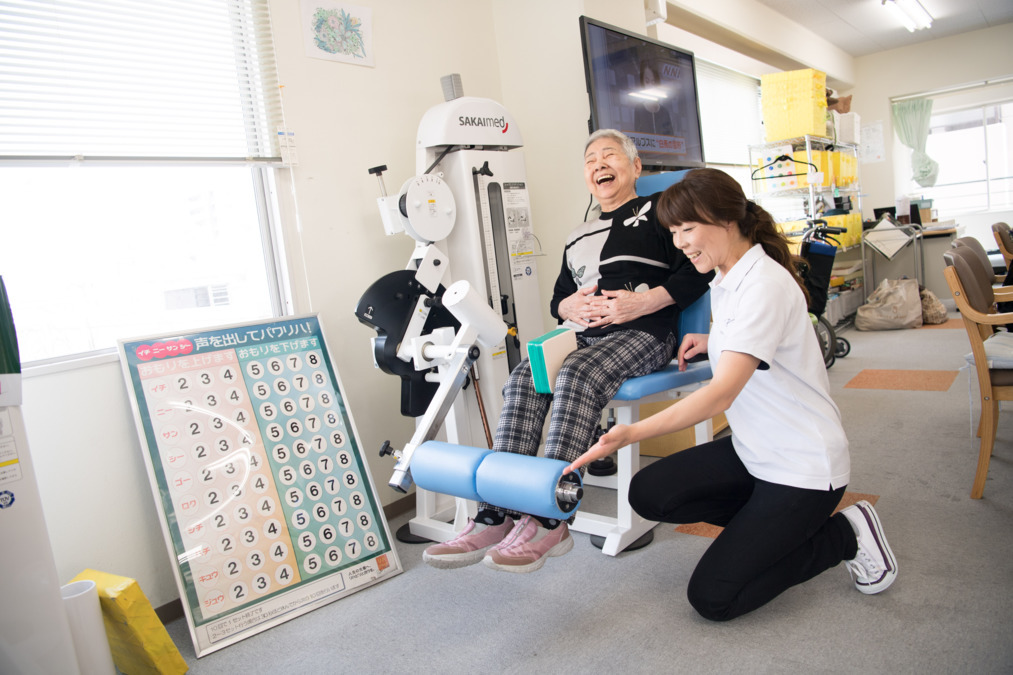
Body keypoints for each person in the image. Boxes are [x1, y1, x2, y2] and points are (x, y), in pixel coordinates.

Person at [566, 168, 897, 620]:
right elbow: (756, 339)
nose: (680, 243)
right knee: (649, 493)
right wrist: (712, 342)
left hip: (802, 467)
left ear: (725, 219)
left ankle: (844, 535)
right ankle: (770, 528)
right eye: (673, 232)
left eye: (687, 229)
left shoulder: (763, 284)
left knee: (713, 599)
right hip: (753, 451)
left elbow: (721, 395)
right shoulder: (727, 276)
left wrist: (631, 433)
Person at [423, 129, 713, 573]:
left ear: (636, 166)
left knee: (576, 372)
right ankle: (497, 512)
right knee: (524, 376)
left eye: (610, 155)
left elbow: (697, 269)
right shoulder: (579, 234)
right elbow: (559, 298)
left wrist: (645, 301)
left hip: (645, 332)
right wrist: (567, 307)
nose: (599, 164)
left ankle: (549, 517)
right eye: (591, 160)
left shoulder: (661, 212)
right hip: (583, 334)